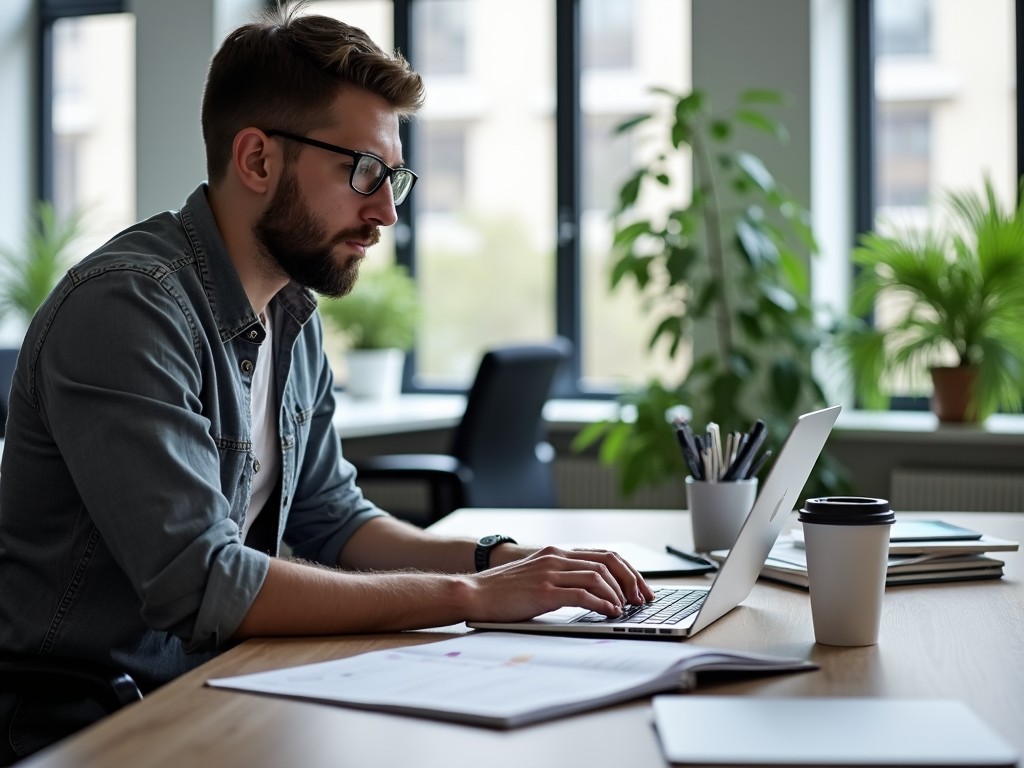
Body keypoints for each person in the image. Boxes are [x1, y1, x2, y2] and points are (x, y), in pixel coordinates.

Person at [0, 3, 653, 761]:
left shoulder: (289, 314)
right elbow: (202, 582)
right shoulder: (127, 306)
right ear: (257, 160)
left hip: (215, 688)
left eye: (394, 178)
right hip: (89, 721)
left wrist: (497, 561)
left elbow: (335, 522)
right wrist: (469, 599)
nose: (385, 212)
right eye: (364, 171)